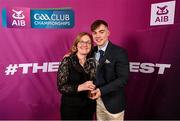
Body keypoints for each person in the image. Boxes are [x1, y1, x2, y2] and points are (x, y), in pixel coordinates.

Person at [89, 20, 129, 121]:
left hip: (113, 104)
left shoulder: (119, 52)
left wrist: (101, 91)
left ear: (108, 33)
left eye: (101, 32)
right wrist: (70, 55)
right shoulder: (91, 51)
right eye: (95, 33)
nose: (98, 36)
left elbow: (123, 79)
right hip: (96, 103)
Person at [57, 32, 97, 120]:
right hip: (71, 108)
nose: (85, 45)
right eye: (81, 42)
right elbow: (61, 87)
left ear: (91, 46)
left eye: (88, 42)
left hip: (88, 107)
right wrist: (81, 87)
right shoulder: (67, 61)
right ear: (76, 44)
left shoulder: (92, 61)